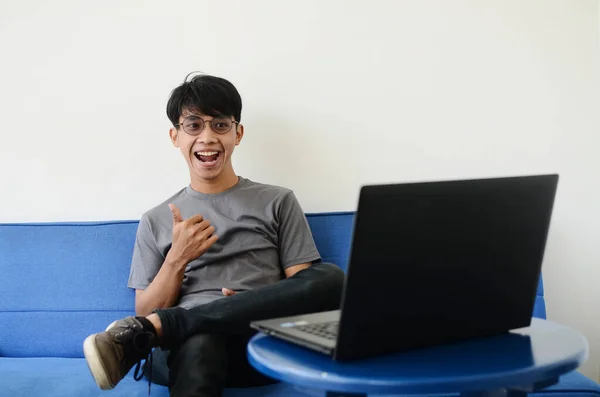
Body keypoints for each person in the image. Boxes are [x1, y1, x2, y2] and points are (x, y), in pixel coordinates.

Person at [82, 73, 345, 397]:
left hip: (257, 342)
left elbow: (306, 292)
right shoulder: (155, 220)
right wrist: (177, 258)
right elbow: (143, 310)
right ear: (175, 136)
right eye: (194, 125)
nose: (207, 137)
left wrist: (250, 305)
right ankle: (177, 326)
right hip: (188, 351)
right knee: (202, 339)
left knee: (332, 277)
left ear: (238, 133)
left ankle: (167, 326)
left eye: (220, 125)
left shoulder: (278, 201)